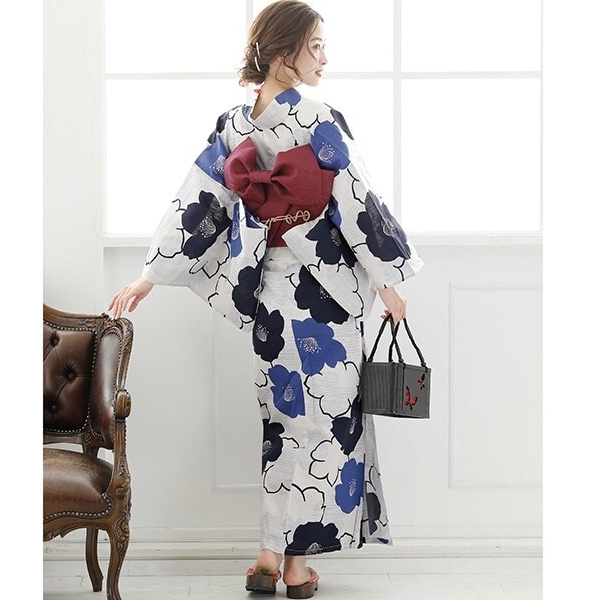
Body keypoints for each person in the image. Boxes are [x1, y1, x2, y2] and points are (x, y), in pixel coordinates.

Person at [108, 1, 424, 597]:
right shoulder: (319, 118)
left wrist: (151, 274)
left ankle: (266, 559)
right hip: (326, 300)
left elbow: (197, 200)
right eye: (316, 46)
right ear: (283, 54)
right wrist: (388, 279)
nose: (324, 58)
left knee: (283, 423)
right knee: (324, 426)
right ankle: (297, 567)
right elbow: (354, 200)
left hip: (272, 300)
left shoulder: (234, 123)